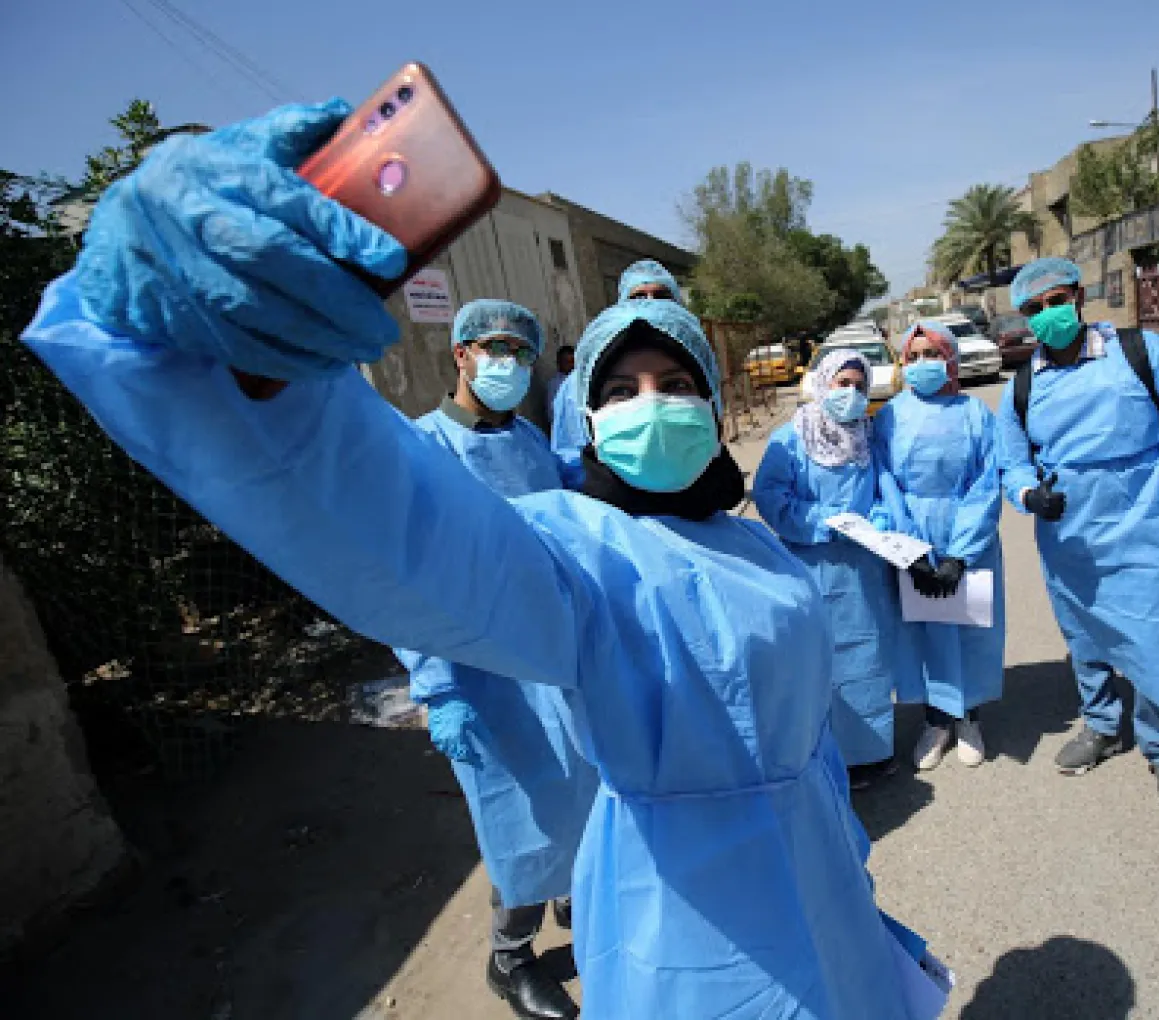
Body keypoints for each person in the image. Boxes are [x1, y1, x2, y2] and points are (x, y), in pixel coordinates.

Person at [25, 101, 941, 1019]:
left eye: (677, 383)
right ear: (585, 419)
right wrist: (213, 360)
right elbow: (406, 528)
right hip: (696, 936)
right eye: (620, 389)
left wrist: (845, 863)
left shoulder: (749, 542)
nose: (650, 403)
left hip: (824, 884)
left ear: (712, 408)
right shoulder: (576, 549)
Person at [402, 299, 594, 1019]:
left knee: (580, 788)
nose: (508, 363)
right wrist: (436, 686)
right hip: (481, 670)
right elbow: (409, 576)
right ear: (461, 353)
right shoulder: (424, 449)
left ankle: (585, 905)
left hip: (553, 651)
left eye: (521, 349)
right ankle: (508, 958)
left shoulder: (531, 441)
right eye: (495, 347)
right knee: (518, 820)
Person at [997, 258, 1159, 818]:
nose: (1049, 315)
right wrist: (1027, 497)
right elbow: (1011, 465)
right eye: (1035, 309)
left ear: (1080, 296)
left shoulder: (1141, 353)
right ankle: (1101, 726)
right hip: (1071, 535)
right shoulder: (1022, 384)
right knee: (1086, 634)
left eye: (1057, 301)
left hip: (1150, 520)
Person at [752, 351, 909, 789]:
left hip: (865, 569)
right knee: (823, 662)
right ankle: (830, 753)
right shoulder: (792, 438)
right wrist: (823, 522)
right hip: (813, 566)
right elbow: (770, 496)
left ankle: (873, 751)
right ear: (822, 384)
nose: (852, 394)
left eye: (860, 385)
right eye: (842, 383)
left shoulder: (864, 435)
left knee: (870, 658)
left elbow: (880, 489)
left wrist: (877, 521)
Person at [873, 321, 1005, 771]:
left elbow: (988, 482)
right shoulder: (890, 416)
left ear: (950, 358)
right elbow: (886, 482)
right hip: (912, 530)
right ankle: (935, 720)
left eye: (933, 354)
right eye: (914, 356)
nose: (923, 364)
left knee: (968, 624)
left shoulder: (975, 413)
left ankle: (969, 715)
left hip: (968, 531)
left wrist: (960, 552)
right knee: (922, 628)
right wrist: (910, 551)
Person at [551, 260, 683, 487]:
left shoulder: (698, 372)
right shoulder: (579, 385)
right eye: (639, 297)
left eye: (661, 297)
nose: (652, 305)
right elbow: (571, 459)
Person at [546, 343, 575, 419]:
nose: (571, 365)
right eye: (566, 362)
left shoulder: (581, 380)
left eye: (572, 361)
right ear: (559, 363)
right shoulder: (555, 384)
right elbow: (551, 413)